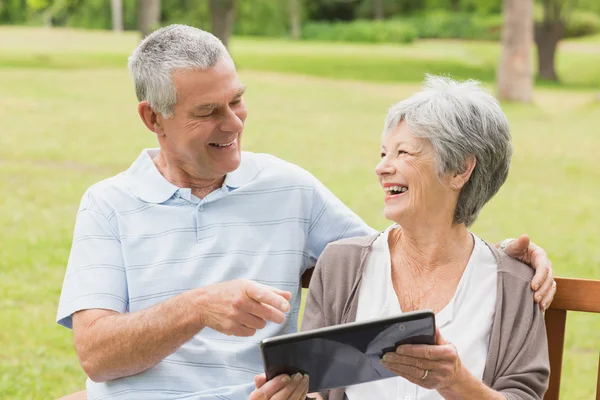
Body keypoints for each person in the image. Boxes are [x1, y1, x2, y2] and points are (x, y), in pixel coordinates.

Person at [56, 25, 554, 400]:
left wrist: (505, 257)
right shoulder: (109, 205)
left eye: (237, 101)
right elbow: (97, 356)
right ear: (152, 118)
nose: (234, 123)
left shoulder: (288, 189)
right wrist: (197, 307)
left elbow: (401, 256)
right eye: (208, 112)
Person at [250, 76, 551, 400]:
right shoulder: (342, 265)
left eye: (403, 153)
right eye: (383, 153)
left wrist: (456, 382)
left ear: (459, 170)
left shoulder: (515, 284)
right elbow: (319, 390)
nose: (382, 168)